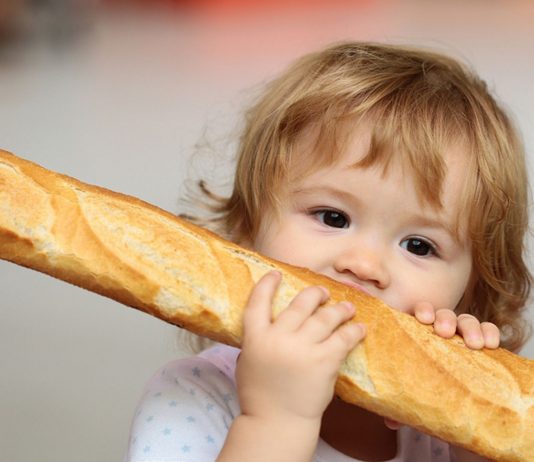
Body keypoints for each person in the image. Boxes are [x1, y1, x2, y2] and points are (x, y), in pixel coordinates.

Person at [124, 42, 531, 462]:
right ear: (243, 232)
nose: (365, 266)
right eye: (333, 218)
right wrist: (276, 421)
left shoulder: (442, 439)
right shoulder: (194, 396)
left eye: (419, 246)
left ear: (473, 291)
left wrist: (483, 440)